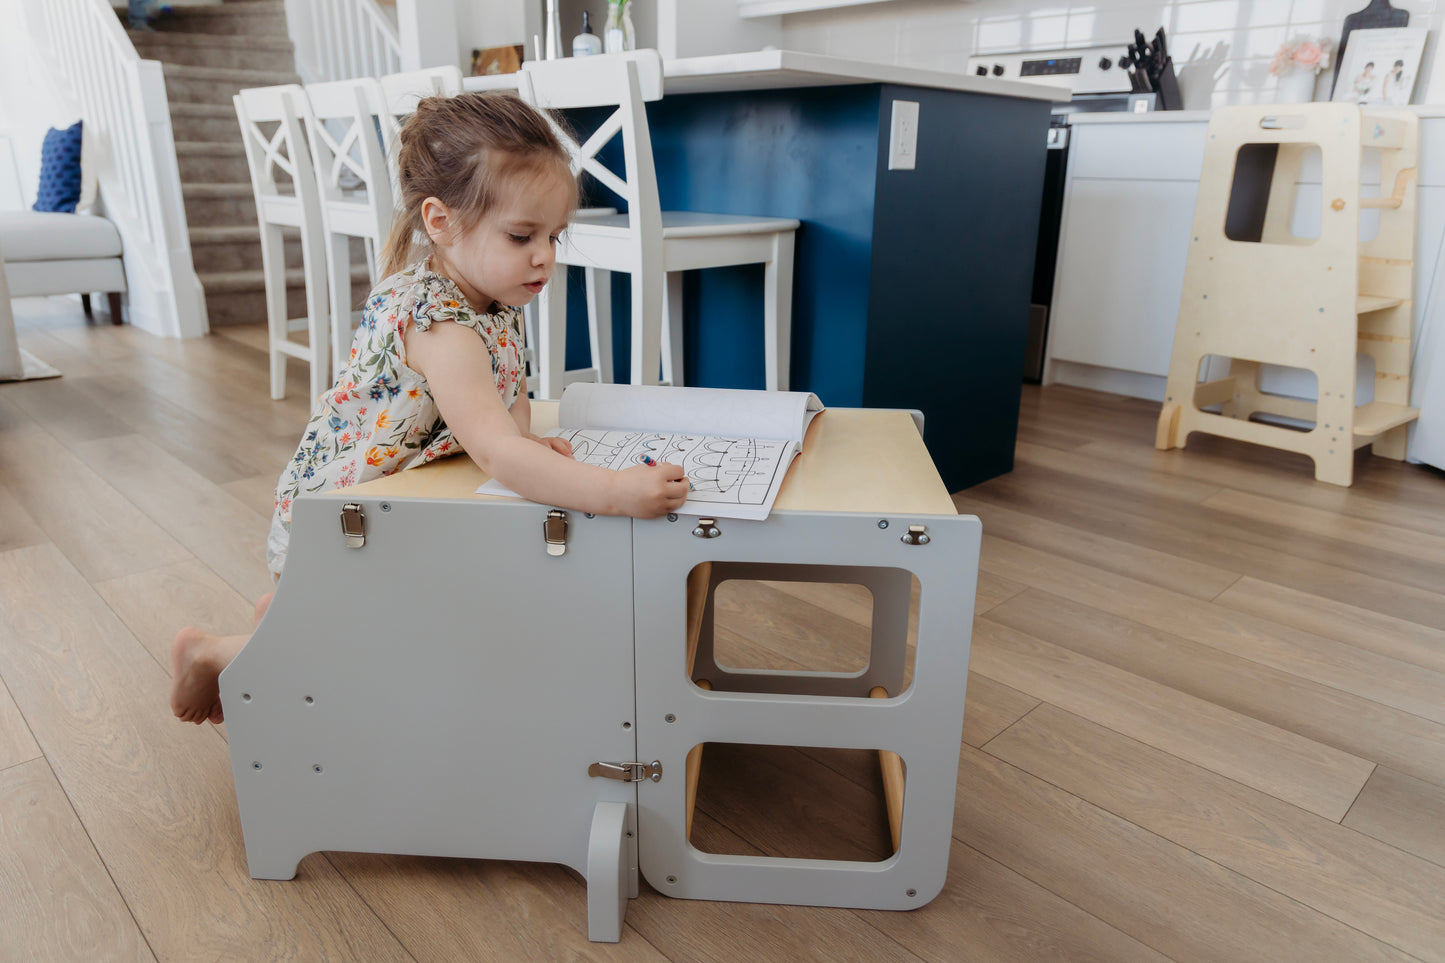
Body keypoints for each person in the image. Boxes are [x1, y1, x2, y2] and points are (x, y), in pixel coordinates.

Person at [169, 92, 690, 725]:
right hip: (344, 512)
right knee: (379, 650)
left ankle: (288, 620)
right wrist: (613, 491)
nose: (545, 255)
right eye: (523, 235)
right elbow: (495, 451)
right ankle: (221, 653)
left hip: (404, 500)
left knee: (403, 628)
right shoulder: (438, 319)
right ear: (439, 221)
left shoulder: (495, 302)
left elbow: (510, 413)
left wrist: (526, 444)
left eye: (554, 236)